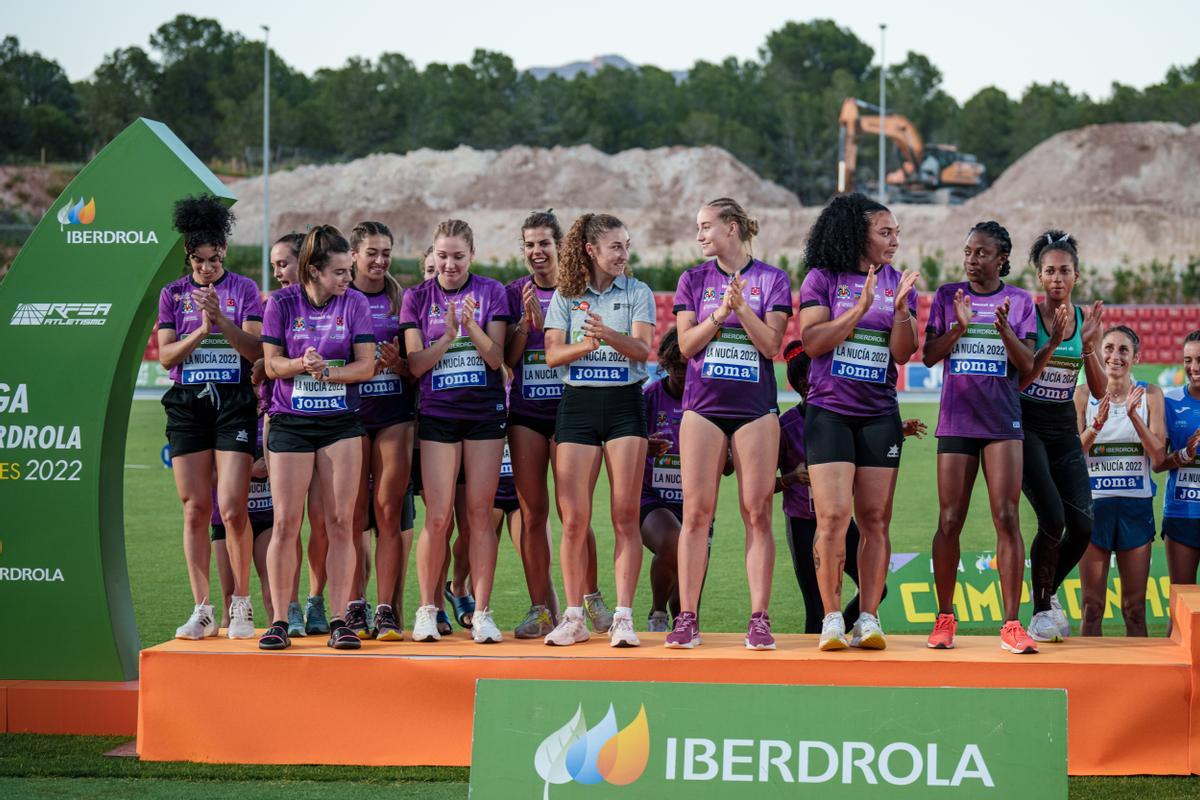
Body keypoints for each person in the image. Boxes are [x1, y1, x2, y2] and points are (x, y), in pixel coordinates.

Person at [796, 193, 920, 651]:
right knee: (832, 517)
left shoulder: (897, 283)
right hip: (829, 412)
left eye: (896, 232)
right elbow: (812, 342)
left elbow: (904, 354)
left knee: (875, 520)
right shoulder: (821, 278)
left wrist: (903, 309)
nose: (894, 240)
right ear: (857, 234)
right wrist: (859, 308)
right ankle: (832, 619)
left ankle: (868, 618)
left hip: (879, 415)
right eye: (885, 232)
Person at [666, 198, 791, 651]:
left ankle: (759, 618)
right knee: (696, 513)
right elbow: (685, 346)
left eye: (706, 227)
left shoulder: (772, 278)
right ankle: (687, 617)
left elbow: (772, 346)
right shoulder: (693, 280)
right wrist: (719, 313)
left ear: (732, 228)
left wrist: (742, 310)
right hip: (702, 408)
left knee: (757, 513)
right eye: (697, 228)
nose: (699, 235)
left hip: (755, 411)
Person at [923, 222, 1039, 654]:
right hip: (956, 421)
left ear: (1002, 258)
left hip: (1002, 424)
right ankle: (945, 618)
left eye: (982, 253)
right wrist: (958, 328)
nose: (972, 260)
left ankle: (1011, 624)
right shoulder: (948, 296)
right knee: (949, 519)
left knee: (1007, 517)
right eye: (968, 252)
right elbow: (929, 356)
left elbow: (1027, 365)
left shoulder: (1021, 301)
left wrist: (1004, 329)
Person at [258, 226, 375, 651]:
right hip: (290, 422)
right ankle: (279, 620)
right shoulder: (282, 303)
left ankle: (341, 619)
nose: (349, 278)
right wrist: (298, 364)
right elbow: (271, 366)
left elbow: (365, 367)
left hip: (340, 423)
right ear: (313, 270)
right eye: (341, 272)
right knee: (286, 522)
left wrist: (328, 372)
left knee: (341, 522)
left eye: (349, 270)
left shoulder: (356, 303)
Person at [542, 213, 656, 647]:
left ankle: (623, 617)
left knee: (625, 515)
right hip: (578, 406)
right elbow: (554, 355)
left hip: (626, 404)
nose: (624, 255)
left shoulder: (638, 291)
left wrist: (607, 333)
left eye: (626, 246)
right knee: (574, 521)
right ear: (591, 250)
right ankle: (574, 617)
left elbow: (644, 350)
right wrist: (586, 344)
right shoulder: (566, 295)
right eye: (615, 247)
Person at [158, 195, 264, 640]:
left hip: (234, 402)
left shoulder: (244, 290)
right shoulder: (173, 294)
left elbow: (256, 350)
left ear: (224, 252)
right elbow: (165, 357)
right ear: (188, 256)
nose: (206, 267)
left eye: (214, 259)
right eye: (199, 260)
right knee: (195, 507)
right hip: (188, 404)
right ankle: (201, 608)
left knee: (233, 506)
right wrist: (200, 329)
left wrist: (220, 320)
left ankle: (241, 603)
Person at [401, 219, 511, 644]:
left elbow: (496, 357)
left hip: (484, 415)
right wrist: (448, 335)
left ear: (472, 256)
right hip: (438, 416)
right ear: (433, 253)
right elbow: (415, 365)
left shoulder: (491, 292)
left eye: (458, 256)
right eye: (443, 256)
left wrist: (472, 327)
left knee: (480, 517)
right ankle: (427, 609)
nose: (449, 264)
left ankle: (482, 612)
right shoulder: (416, 297)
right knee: (439, 516)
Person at [504, 210, 611, 638]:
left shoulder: (579, 290)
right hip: (527, 415)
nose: (536, 252)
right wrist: (522, 326)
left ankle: (591, 598)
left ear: (560, 246)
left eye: (543, 243)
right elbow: (506, 362)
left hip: (573, 413)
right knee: (532, 514)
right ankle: (541, 608)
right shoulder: (514, 293)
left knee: (575, 513)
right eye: (529, 244)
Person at [776, 341, 920, 634]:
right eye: (807, 380)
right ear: (803, 383)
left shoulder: (844, 420)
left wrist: (896, 432)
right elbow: (762, 485)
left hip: (843, 522)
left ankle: (846, 622)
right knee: (815, 608)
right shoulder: (786, 426)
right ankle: (820, 655)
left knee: (878, 591)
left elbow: (864, 458)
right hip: (804, 523)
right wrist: (791, 478)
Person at [1019, 231, 1106, 642]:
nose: (1057, 277)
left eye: (1064, 271)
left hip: (1063, 430)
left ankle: (1047, 588)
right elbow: (1021, 379)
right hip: (1027, 427)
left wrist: (1088, 346)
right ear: (1039, 277)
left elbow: (1102, 390)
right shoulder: (1029, 316)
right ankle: (1039, 611)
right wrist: (1053, 343)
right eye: (1049, 270)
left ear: (1076, 276)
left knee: (1083, 527)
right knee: (1052, 518)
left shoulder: (1085, 321)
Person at [346, 221, 416, 641]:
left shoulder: (400, 299)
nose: (379, 260)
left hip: (394, 414)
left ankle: (387, 609)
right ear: (353, 254)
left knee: (389, 513)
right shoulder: (341, 297)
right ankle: (355, 604)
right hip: (350, 415)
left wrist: (397, 365)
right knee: (353, 515)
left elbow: (416, 368)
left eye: (386, 252)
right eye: (371, 252)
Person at [1077, 326, 1164, 636]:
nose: (1115, 356)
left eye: (1123, 350)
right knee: (1091, 608)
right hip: (1092, 510)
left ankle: (1142, 684)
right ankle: (1090, 682)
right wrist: (1096, 427)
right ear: (1100, 355)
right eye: (1109, 348)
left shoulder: (1150, 395)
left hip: (1135, 509)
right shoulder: (1083, 395)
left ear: (1136, 357)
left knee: (1135, 610)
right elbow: (1072, 458)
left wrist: (1134, 417)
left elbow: (1159, 459)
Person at [1161, 331, 1200, 600]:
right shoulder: (1170, 401)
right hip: (1182, 513)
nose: (1193, 368)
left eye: (1199, 359)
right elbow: (1157, 463)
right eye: (1188, 360)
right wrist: (1184, 454)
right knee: (1181, 605)